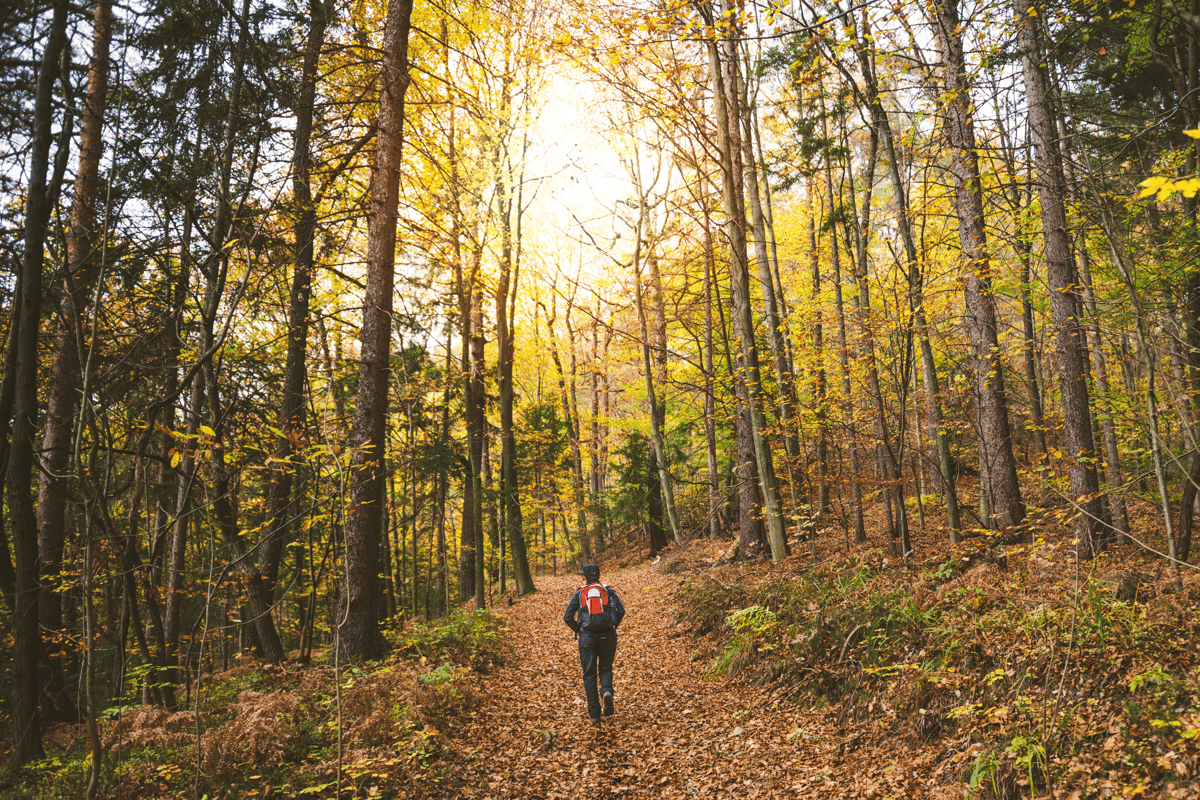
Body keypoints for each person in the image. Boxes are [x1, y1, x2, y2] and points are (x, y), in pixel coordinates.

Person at [563, 563, 626, 727]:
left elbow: (567, 616)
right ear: (598, 575)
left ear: (584, 577)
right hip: (608, 636)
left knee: (589, 674)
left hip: (587, 637)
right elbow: (621, 610)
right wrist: (613, 627)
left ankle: (594, 715)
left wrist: (579, 629)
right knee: (605, 668)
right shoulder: (608, 590)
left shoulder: (580, 592)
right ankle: (606, 691)